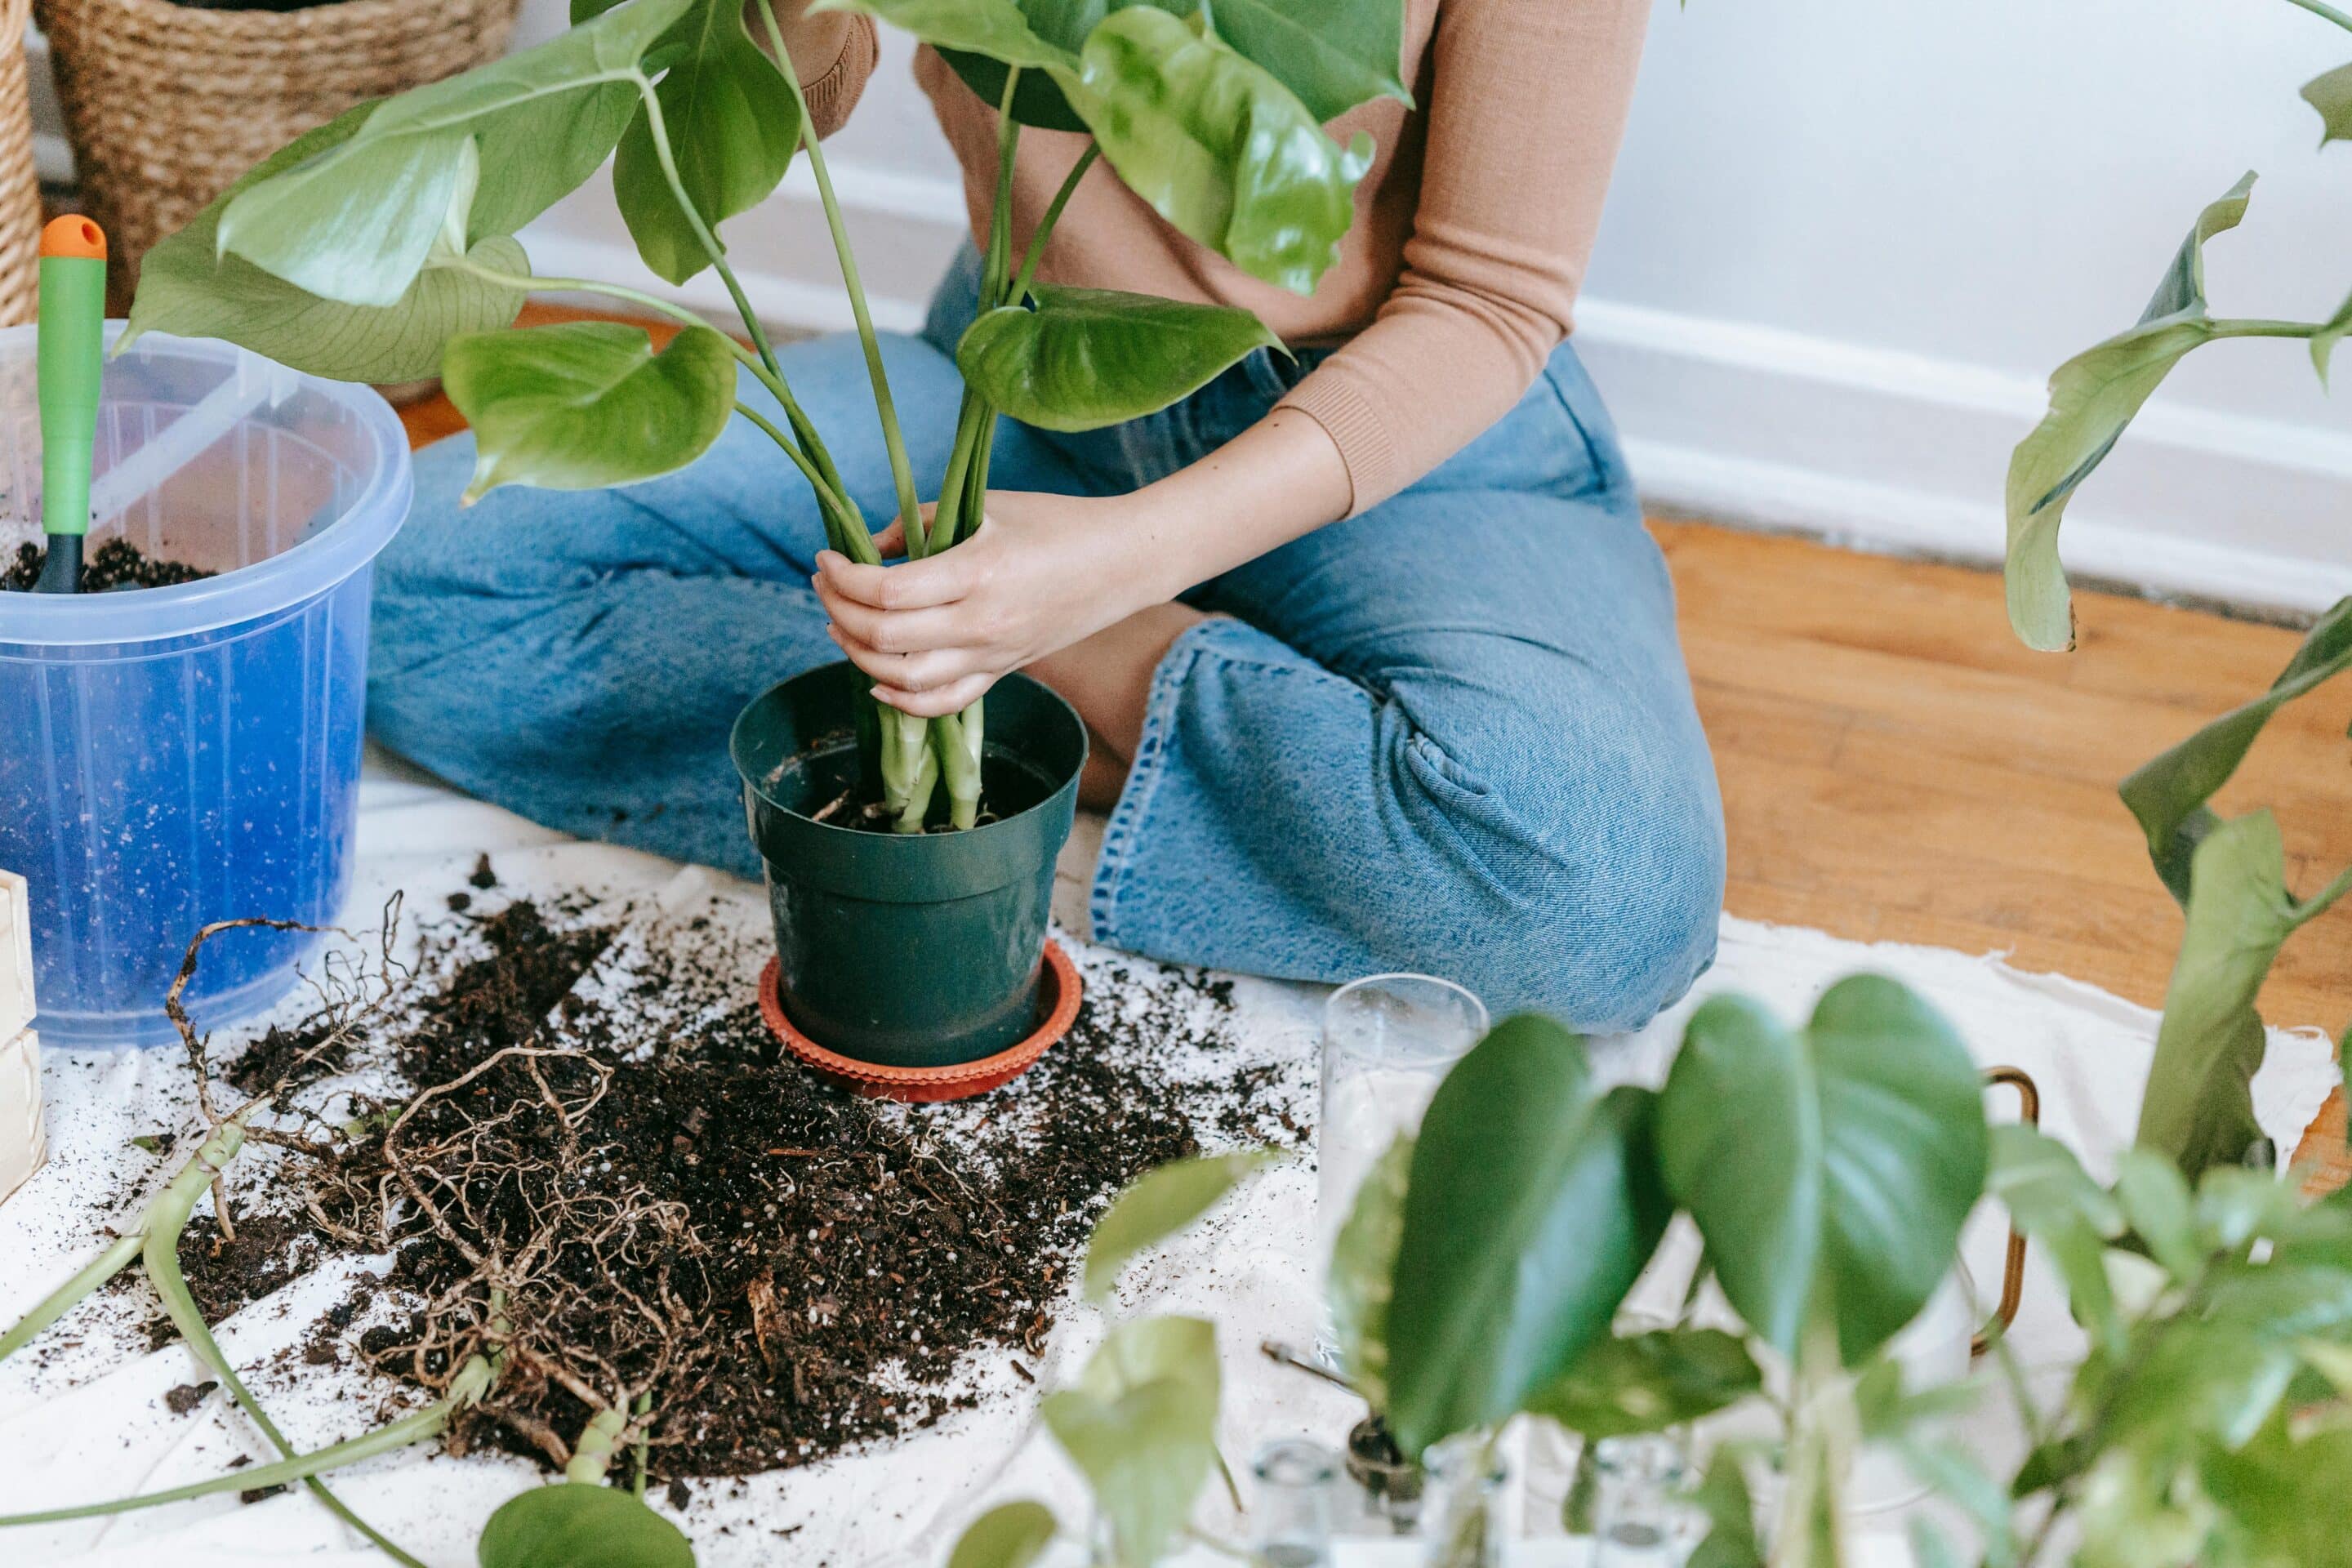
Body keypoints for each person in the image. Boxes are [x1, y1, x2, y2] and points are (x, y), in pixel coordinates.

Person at [370, 0, 1726, 1029]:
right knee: (399, 581)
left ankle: (1009, 703)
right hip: (1023, 381)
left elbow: (1488, 304)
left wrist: (1102, 595)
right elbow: (784, 99)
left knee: (1602, 895)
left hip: (1391, 429)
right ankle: (1094, 736)